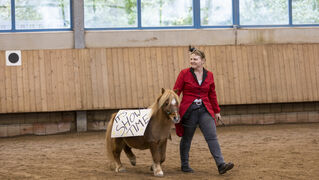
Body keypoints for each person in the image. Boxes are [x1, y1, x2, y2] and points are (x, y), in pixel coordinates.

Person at [173, 46, 234, 174]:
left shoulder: (209, 75)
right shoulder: (184, 73)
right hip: (189, 110)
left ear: (203, 61)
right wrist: (175, 110)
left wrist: (217, 111)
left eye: (195, 59)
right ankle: (184, 165)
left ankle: (221, 165)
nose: (192, 61)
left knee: (212, 137)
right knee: (187, 138)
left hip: (205, 110)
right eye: (191, 59)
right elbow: (176, 92)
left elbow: (212, 94)